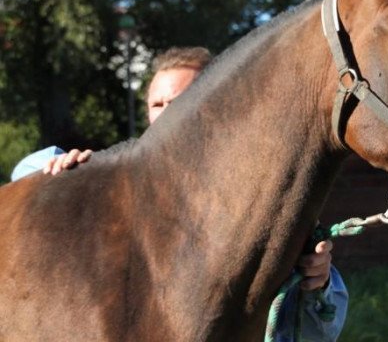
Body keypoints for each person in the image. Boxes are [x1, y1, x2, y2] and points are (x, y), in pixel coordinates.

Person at [11, 46, 348, 341]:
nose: (167, 112)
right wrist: (62, 174)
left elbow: (318, 332)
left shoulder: (258, 201)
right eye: (157, 103)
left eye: (180, 100)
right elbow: (21, 181)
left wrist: (316, 285)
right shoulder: (122, 181)